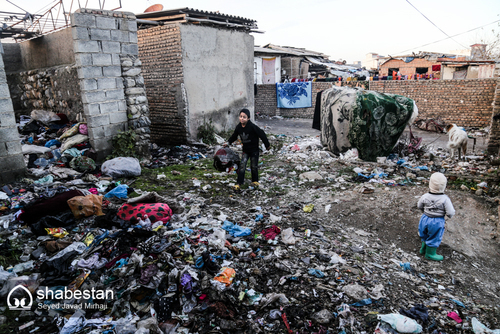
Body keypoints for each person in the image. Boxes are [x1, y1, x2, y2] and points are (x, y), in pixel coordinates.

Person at [225, 109, 270, 191]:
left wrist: (267, 145)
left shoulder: (252, 127)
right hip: (245, 150)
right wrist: (228, 143)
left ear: (248, 118)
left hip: (254, 151)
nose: (242, 119)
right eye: (241, 117)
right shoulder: (239, 127)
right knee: (242, 166)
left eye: (244, 117)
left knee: (254, 166)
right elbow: (234, 136)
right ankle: (239, 183)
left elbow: (262, 134)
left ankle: (255, 181)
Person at [417, 172, 455, 261]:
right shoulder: (445, 199)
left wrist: (424, 210)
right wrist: (448, 215)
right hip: (437, 221)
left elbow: (419, 205)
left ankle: (423, 249)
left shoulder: (425, 196)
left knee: (424, 233)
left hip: (425, 218)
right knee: (434, 236)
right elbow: (450, 212)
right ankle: (430, 253)